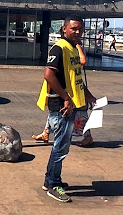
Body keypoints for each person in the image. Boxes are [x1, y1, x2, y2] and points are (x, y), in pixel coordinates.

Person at [36, 15, 96, 202]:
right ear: (64, 29)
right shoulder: (59, 48)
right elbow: (49, 75)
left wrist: (89, 96)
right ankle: (53, 185)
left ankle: (51, 180)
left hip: (71, 105)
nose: (77, 32)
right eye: (74, 29)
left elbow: (75, 78)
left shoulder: (73, 49)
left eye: (80, 29)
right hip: (61, 106)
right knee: (60, 148)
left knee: (62, 146)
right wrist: (66, 98)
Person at [33, 39, 94, 147]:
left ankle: (88, 137)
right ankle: (46, 133)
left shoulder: (74, 47)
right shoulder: (61, 47)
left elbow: (83, 61)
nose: (77, 33)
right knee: (56, 114)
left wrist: (77, 46)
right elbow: (49, 74)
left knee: (79, 114)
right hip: (66, 88)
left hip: (74, 89)